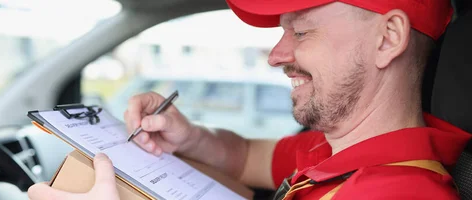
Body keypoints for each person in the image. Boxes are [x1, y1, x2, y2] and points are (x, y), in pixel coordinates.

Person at [28, 0, 472, 199]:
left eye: (301, 31)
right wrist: (191, 137)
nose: (277, 55)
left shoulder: (399, 194)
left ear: (387, 38)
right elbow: (246, 157)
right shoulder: (339, 150)